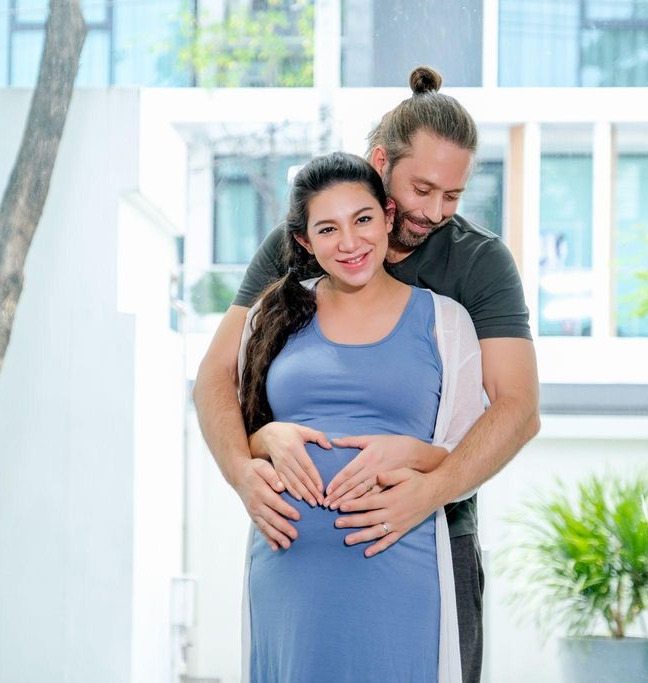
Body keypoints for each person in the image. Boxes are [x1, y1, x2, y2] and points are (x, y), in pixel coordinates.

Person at [194, 66, 540, 682]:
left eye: (453, 196)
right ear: (382, 164)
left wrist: (429, 490)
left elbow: (517, 409)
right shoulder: (303, 242)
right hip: (295, 567)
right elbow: (218, 375)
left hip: (433, 539)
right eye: (423, 188)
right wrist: (246, 468)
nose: (435, 211)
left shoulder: (478, 264)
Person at [240, 151, 482, 681]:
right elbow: (240, 427)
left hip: (399, 570)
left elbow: (468, 455)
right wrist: (265, 439)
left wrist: (415, 455)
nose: (349, 243)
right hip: (287, 576)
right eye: (328, 228)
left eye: (363, 220)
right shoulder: (272, 315)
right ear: (304, 241)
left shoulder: (446, 322)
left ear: (389, 217)